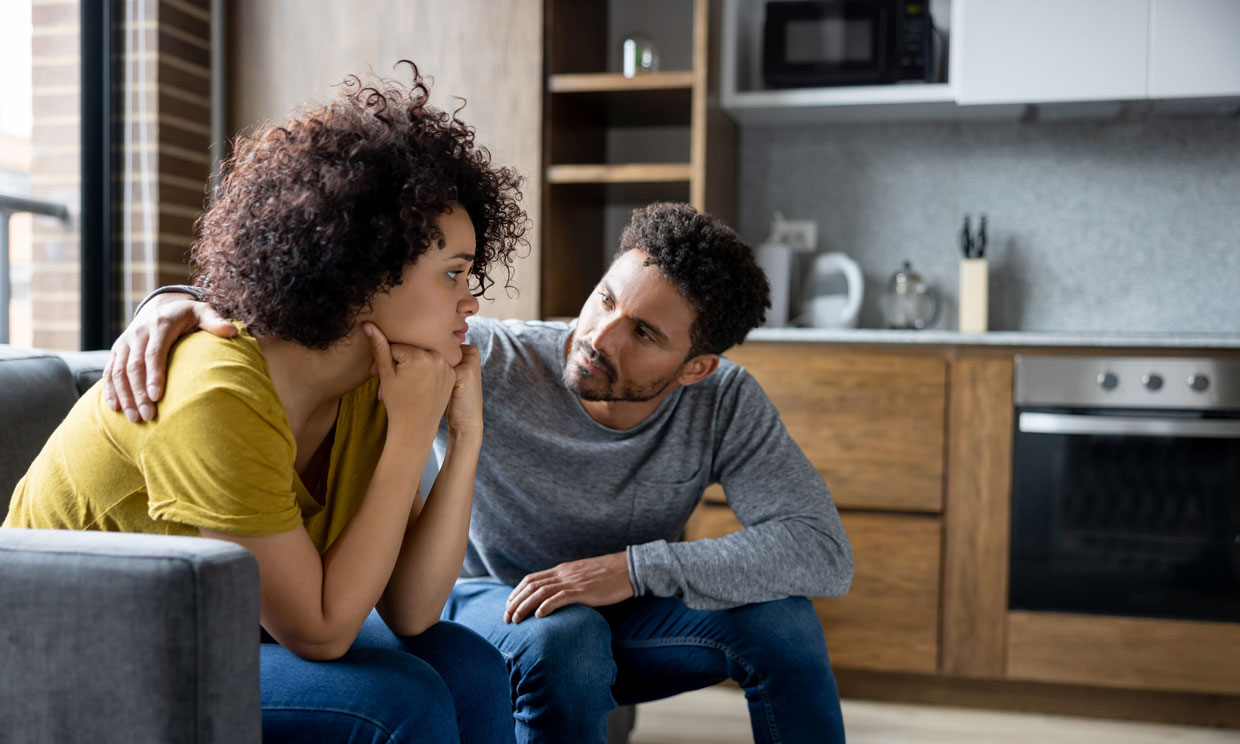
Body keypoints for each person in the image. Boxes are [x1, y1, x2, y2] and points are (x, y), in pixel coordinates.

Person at [107, 202, 855, 744]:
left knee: (784, 624)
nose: (598, 336)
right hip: (479, 605)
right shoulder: (492, 358)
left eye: (644, 334)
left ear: (697, 367)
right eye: (604, 300)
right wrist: (178, 302)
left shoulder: (727, 403)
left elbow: (820, 550)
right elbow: (332, 313)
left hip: (625, 610)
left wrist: (633, 570)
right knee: (566, 640)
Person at [4, 66, 527, 744]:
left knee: (470, 665)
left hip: (217, 628)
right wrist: (408, 435)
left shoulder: (372, 382)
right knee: (401, 700)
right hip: (79, 655)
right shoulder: (217, 388)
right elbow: (321, 633)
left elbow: (413, 609)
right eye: (452, 272)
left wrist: (464, 434)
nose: (472, 300)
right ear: (361, 266)